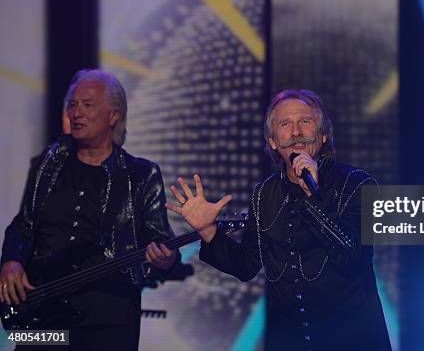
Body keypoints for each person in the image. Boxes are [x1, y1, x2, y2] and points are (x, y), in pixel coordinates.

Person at [167, 89, 390, 350]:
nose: (296, 132)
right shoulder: (264, 194)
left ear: (323, 135)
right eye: (285, 124)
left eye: (305, 122)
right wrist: (208, 231)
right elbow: (245, 265)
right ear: (273, 141)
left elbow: (353, 256)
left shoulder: (358, 184)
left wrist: (312, 196)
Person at [0, 69, 178, 350]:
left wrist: (165, 259)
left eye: (88, 104)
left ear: (113, 116)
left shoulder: (141, 175)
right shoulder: (48, 163)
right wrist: (11, 261)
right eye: (73, 104)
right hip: (39, 315)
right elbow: (23, 223)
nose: (77, 112)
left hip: (106, 322)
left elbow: (161, 241)